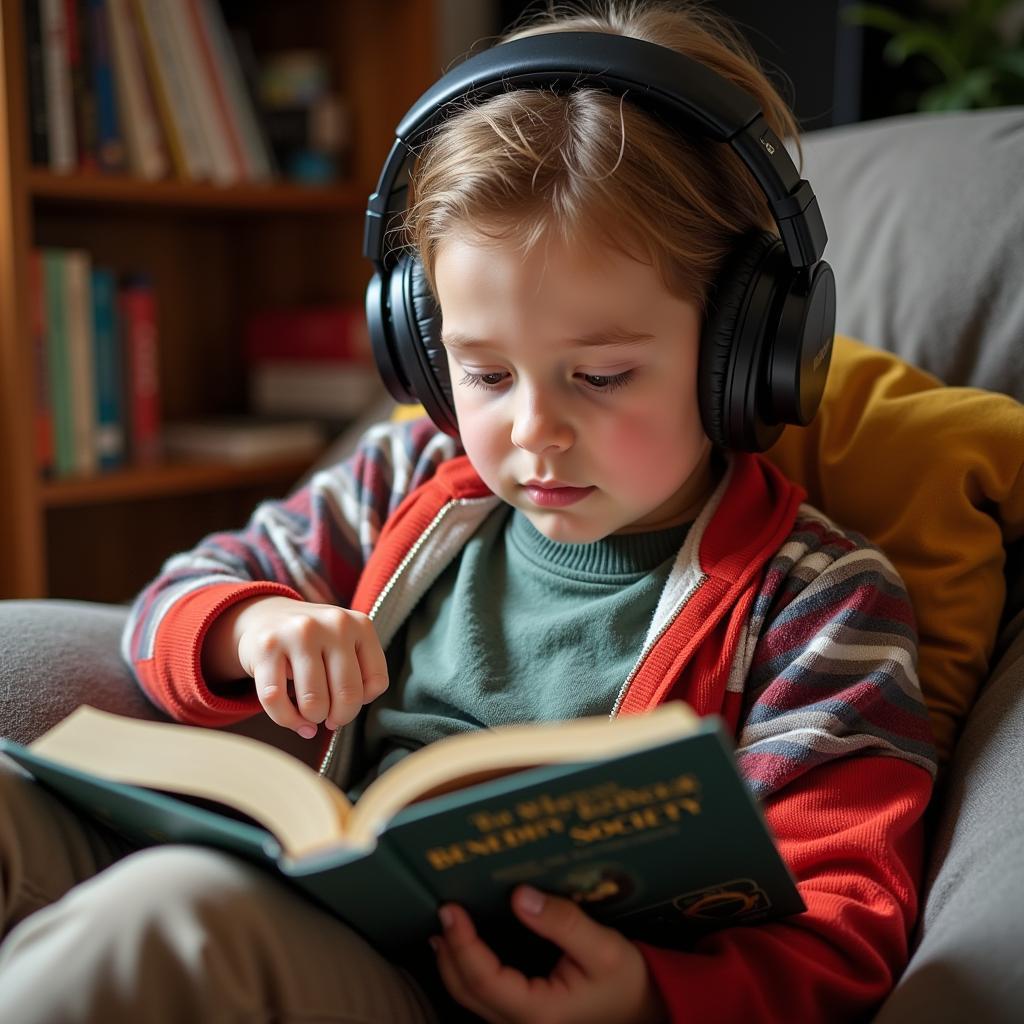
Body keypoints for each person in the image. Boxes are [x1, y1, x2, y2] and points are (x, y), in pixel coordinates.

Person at [0, 2, 937, 1022]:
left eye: (602, 374)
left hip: (468, 996)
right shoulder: (405, 474)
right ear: (418, 345)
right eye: (484, 371)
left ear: (744, 358)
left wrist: (645, 995)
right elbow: (173, 600)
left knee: (170, 918)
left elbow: (846, 923)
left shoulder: (818, 607)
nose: (534, 430)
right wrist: (249, 626)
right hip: (311, 894)